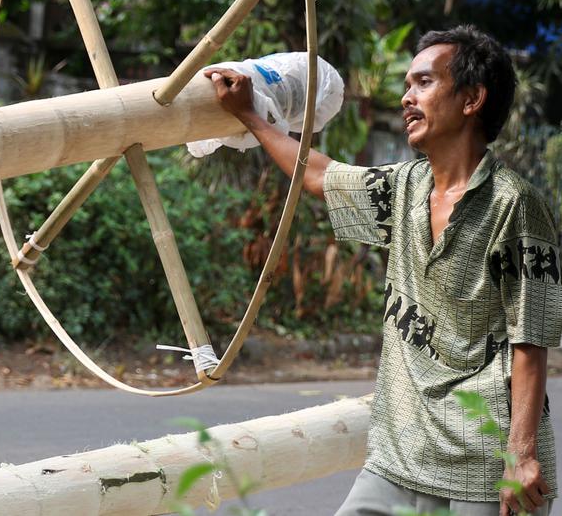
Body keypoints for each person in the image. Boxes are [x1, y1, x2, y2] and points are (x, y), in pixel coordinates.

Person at [205, 25, 559, 516]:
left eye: (424, 83)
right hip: (399, 455)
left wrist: (520, 455)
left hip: (484, 463)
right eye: (408, 84)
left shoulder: (514, 203)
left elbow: (530, 337)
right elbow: (318, 175)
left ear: (472, 98)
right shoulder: (404, 187)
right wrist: (249, 115)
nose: (406, 97)